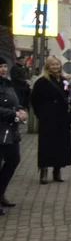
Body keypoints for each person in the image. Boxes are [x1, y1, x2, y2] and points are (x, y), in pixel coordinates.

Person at [29, 56, 71, 185]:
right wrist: (41, 114)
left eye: (57, 64)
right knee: (46, 144)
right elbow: (34, 100)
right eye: (53, 65)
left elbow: (66, 96)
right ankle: (43, 171)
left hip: (62, 117)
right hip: (48, 118)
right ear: (48, 66)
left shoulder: (64, 81)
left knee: (61, 144)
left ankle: (57, 170)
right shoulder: (42, 81)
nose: (55, 67)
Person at [0, 56, 27, 215]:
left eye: (4, 66)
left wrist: (21, 110)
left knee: (13, 160)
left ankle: (1, 193)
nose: (3, 69)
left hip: (10, 130)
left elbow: (14, 101)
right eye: (0, 66)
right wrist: (13, 113)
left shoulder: (7, 83)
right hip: (2, 128)